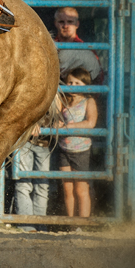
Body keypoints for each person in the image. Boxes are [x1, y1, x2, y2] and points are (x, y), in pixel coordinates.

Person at [59, 67, 98, 217]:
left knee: (81, 189)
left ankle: (83, 222)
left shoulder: (88, 101)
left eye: (77, 82)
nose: (72, 85)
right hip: (64, 149)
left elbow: (90, 123)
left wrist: (70, 126)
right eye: (70, 82)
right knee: (68, 190)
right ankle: (71, 222)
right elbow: (58, 120)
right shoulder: (65, 101)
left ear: (85, 84)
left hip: (81, 150)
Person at [13, 117, 52, 232]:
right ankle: (27, 224)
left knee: (41, 185)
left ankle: (37, 223)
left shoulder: (55, 100)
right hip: (25, 140)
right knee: (25, 183)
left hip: (44, 142)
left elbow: (56, 114)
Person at [53, 7, 103, 84]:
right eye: (61, 22)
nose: (65, 25)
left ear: (77, 24)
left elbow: (97, 78)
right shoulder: (48, 47)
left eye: (70, 21)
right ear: (55, 23)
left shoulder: (87, 49)